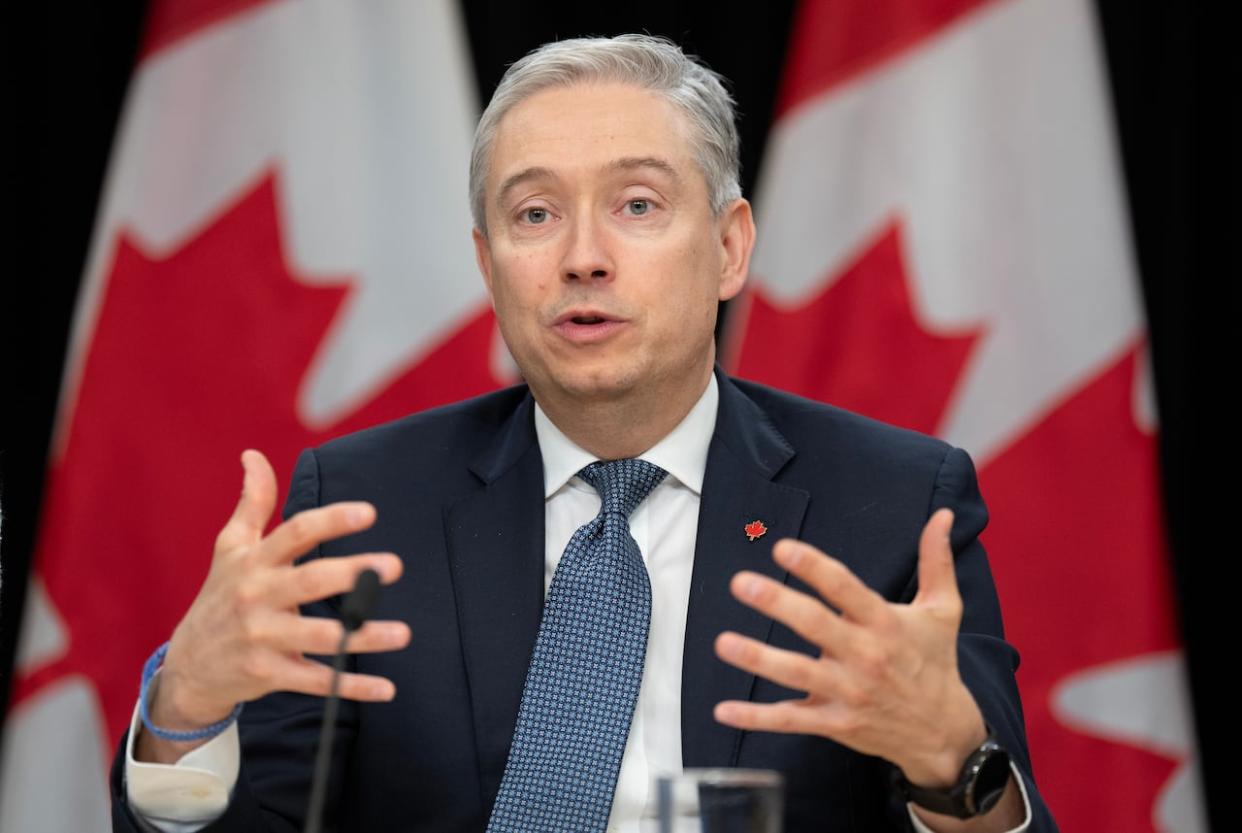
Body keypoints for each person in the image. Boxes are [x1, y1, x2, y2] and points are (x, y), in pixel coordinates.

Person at [111, 34, 1057, 833]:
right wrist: (184, 713)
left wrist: (950, 761)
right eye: (534, 215)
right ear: (489, 265)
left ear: (729, 248)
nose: (583, 259)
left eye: (637, 206)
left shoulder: (890, 504)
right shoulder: (362, 509)